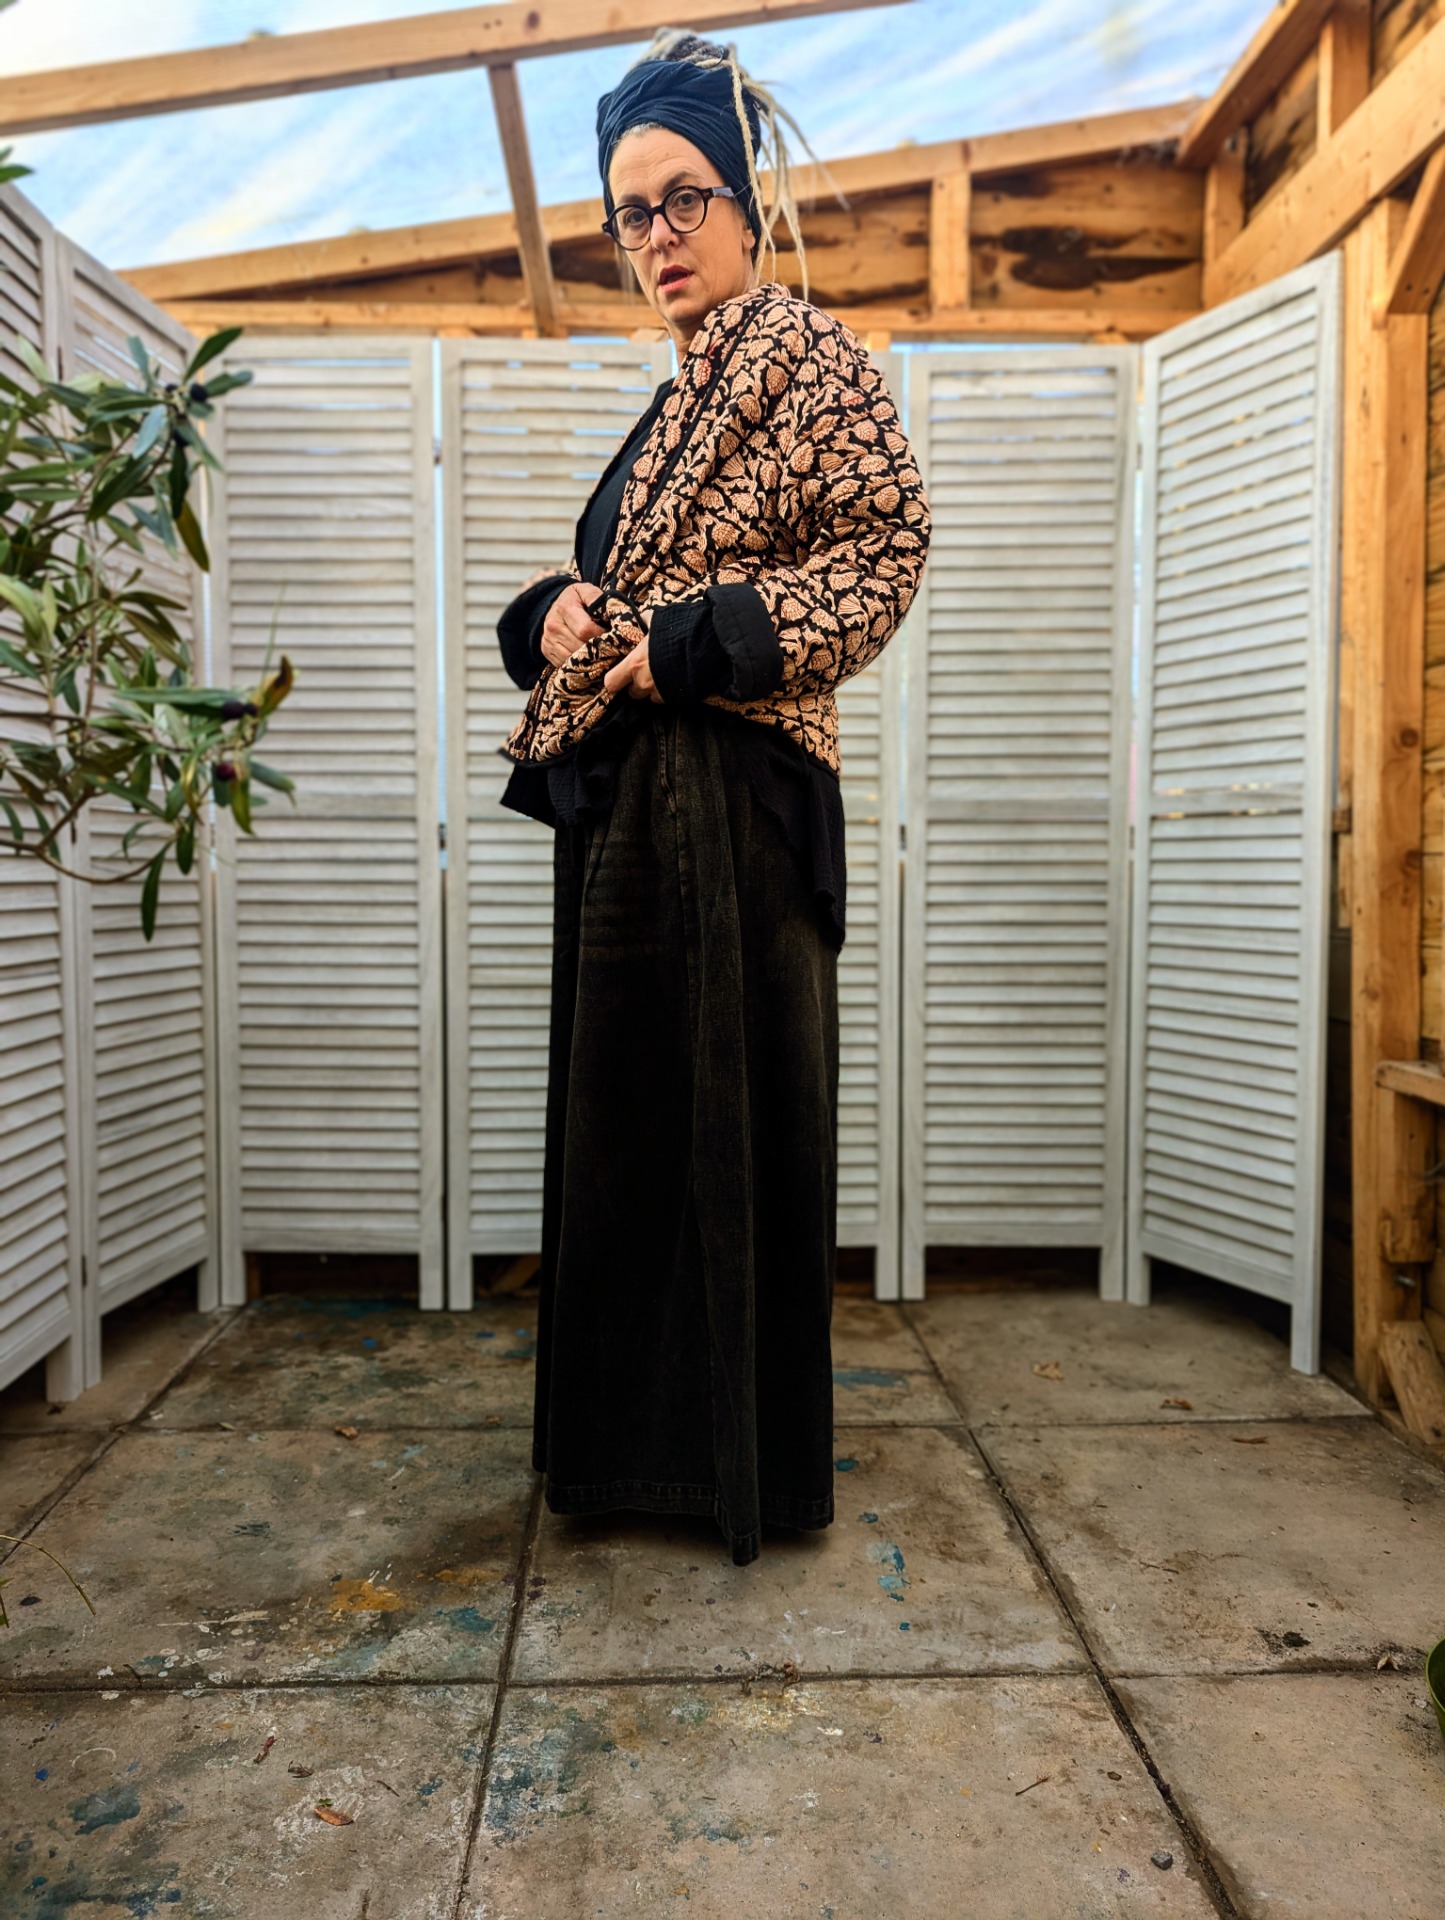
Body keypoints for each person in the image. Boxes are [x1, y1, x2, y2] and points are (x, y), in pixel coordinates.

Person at [495, 29, 930, 1566]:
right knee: (627, 1129)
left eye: (684, 198)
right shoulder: (678, 392)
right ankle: (632, 1461)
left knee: (724, 1129)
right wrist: (549, 609)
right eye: (631, 212)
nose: (658, 235)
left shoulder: (801, 354)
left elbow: (882, 550)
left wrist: (697, 643)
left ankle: (730, 1471)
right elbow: (627, 579)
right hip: (636, 812)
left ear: (745, 203)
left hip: (731, 803)